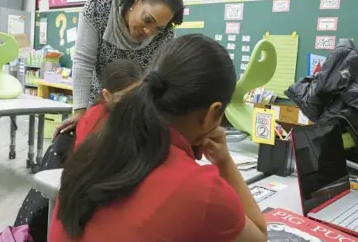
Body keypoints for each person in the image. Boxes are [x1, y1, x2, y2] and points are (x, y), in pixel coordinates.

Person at [49, 34, 268, 242]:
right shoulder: (203, 191)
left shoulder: (96, 146)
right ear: (213, 112)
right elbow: (259, 236)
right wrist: (224, 161)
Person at [54, 0, 184, 137]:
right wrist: (80, 112)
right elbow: (84, 61)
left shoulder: (165, 33)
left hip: (135, 109)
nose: (149, 31)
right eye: (147, 20)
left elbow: (159, 77)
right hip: (98, 101)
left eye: (158, 28)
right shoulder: (99, 7)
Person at [74, 59, 143, 150]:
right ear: (107, 95)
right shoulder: (93, 122)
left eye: (140, 91)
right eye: (127, 95)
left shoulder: (139, 111)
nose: (135, 99)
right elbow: (82, 160)